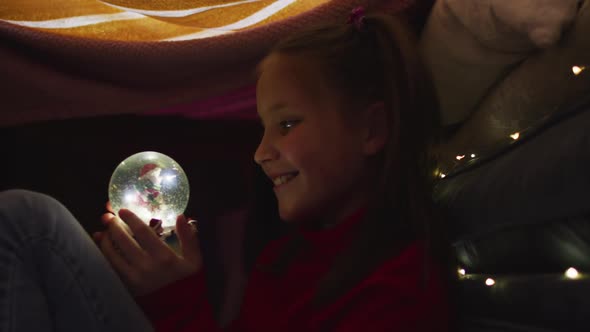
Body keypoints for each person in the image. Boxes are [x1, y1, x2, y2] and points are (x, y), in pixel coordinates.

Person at [0, 6, 450, 332]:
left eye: (287, 124)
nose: (260, 153)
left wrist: (175, 297)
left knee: (27, 223)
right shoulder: (284, 260)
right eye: (263, 128)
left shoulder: (397, 289)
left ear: (372, 129)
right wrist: (167, 290)